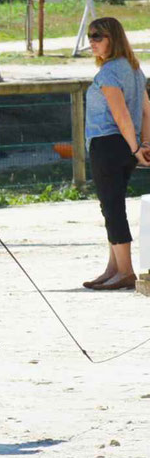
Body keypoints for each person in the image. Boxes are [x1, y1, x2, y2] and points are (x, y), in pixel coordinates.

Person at [82, 17, 150, 291]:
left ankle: (125, 271)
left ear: (114, 38)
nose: (92, 42)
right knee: (112, 203)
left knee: (112, 207)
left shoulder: (109, 73)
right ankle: (114, 267)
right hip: (123, 145)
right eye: (90, 36)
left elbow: (121, 115)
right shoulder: (135, 70)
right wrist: (143, 143)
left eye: (98, 36)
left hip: (109, 143)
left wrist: (137, 147)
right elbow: (146, 110)